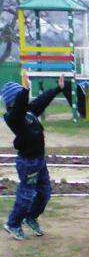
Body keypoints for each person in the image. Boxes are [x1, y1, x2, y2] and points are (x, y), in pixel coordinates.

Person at [1, 71, 66, 240]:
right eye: (20, 98)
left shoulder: (28, 111)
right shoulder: (13, 117)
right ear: (13, 102)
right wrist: (25, 89)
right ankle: (13, 224)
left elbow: (41, 102)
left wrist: (57, 89)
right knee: (26, 195)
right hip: (28, 162)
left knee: (45, 192)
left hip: (39, 160)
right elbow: (21, 105)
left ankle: (31, 217)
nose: (26, 101)